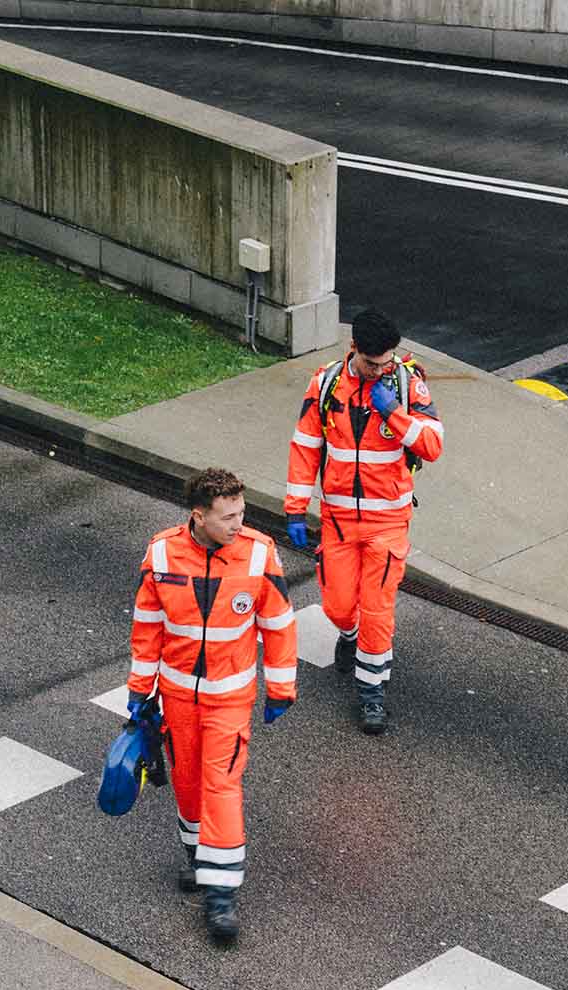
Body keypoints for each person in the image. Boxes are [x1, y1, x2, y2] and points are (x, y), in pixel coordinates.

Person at [127, 468, 297, 943]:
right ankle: (199, 859)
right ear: (199, 516)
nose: (239, 524)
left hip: (230, 698)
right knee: (187, 783)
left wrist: (281, 687)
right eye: (228, 517)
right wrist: (140, 691)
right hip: (177, 696)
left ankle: (221, 895)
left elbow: (278, 624)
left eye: (241, 513)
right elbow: (147, 626)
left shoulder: (259, 553)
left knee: (220, 785)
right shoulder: (162, 553)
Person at [284, 307, 443, 734]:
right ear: (353, 348)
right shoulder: (325, 383)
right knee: (337, 606)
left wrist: (395, 414)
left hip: (387, 523)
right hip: (338, 520)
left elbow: (432, 445)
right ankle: (349, 634)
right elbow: (305, 446)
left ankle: (372, 693)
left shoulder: (408, 385)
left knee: (377, 610)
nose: (380, 371)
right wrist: (295, 506)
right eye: (372, 364)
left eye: (387, 362)